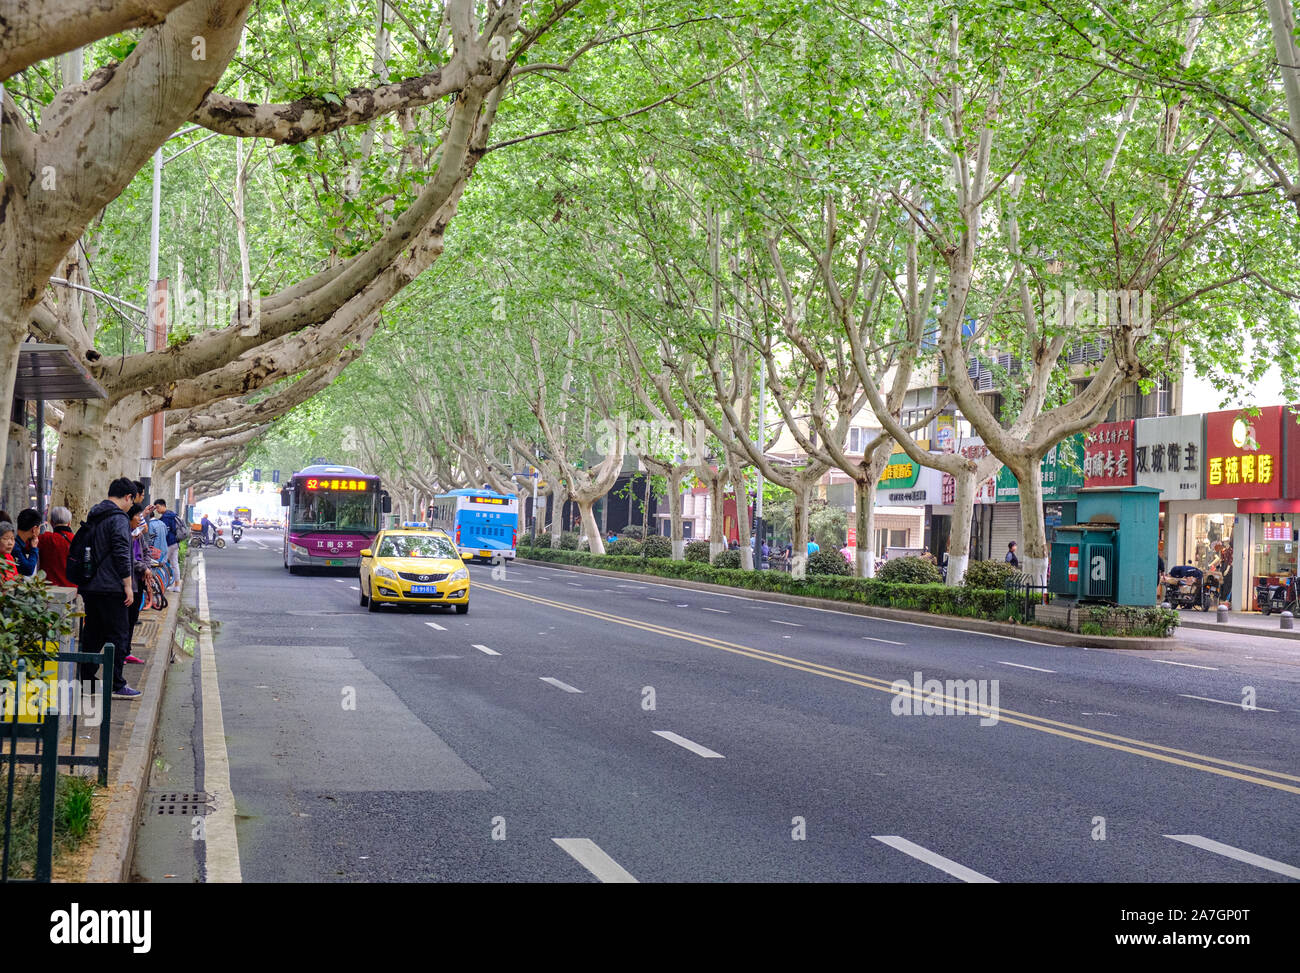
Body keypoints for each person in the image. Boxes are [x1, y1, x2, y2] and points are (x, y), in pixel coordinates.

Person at [77, 477, 140, 701]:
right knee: (119, 635)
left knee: (93, 634)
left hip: (91, 585)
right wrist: (128, 585)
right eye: (132, 501)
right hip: (112, 587)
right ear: (127, 497)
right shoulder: (119, 519)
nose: (131, 506)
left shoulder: (95, 514)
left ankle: (85, 680)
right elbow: (122, 553)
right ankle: (116, 683)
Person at [40, 507, 75, 587]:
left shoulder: (45, 538)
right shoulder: (76, 540)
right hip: (72, 589)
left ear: (51, 522)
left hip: (49, 589)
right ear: (69, 523)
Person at [156, 500, 182, 591]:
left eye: (158, 507)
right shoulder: (172, 514)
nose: (157, 510)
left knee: (160, 563)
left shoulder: (166, 517)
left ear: (163, 506)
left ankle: (160, 586)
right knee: (175, 564)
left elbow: (165, 532)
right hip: (175, 542)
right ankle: (177, 586)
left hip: (169, 543)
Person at [147, 511, 172, 588]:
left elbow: (150, 539)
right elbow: (166, 534)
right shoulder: (162, 523)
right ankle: (162, 586)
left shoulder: (150, 524)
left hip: (155, 551)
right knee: (161, 567)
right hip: (164, 549)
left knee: (153, 570)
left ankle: (154, 587)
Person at [13, 508, 40, 576]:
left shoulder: (18, 544)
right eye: (39, 527)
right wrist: (34, 548)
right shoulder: (15, 547)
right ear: (34, 529)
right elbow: (28, 570)